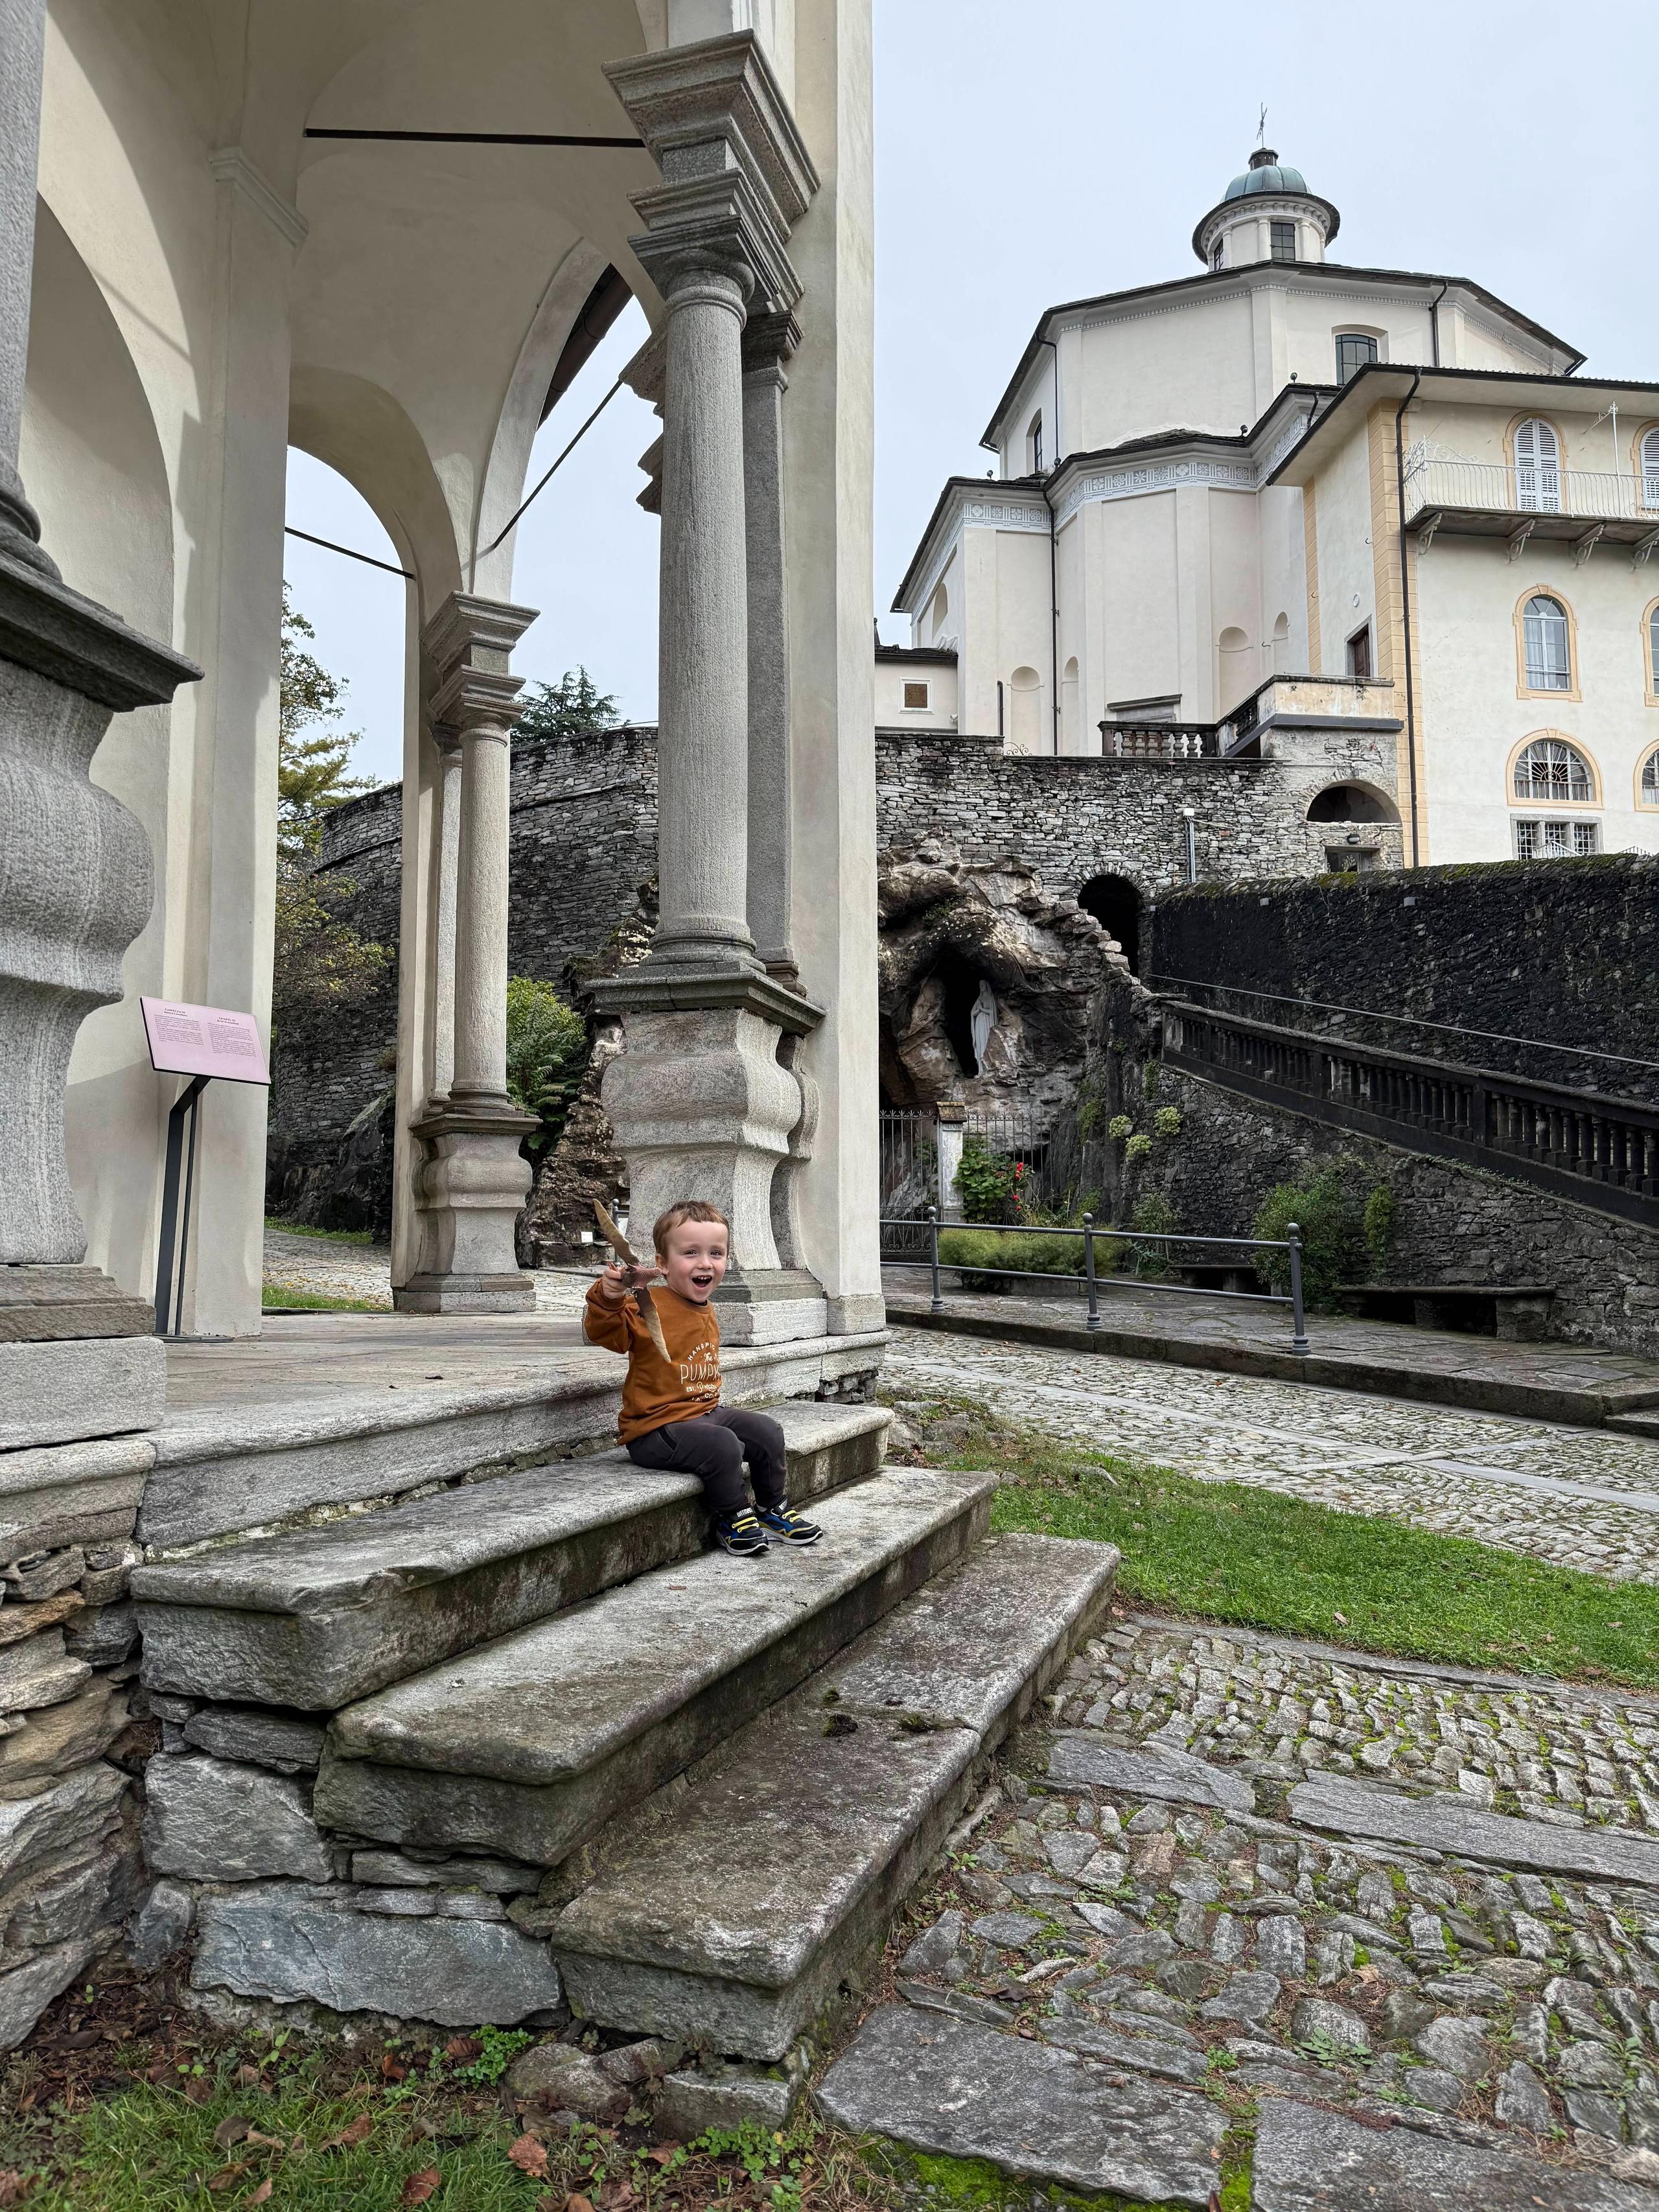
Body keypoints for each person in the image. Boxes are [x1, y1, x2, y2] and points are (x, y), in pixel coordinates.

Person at [583, 1199, 823, 1558]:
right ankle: (733, 1517)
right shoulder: (649, 1303)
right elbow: (606, 1333)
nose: (705, 1263)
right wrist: (610, 1296)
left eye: (716, 1252)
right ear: (662, 1264)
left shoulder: (704, 1305)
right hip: (655, 1430)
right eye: (690, 1252)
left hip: (703, 1414)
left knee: (767, 1431)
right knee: (724, 1444)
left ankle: (771, 1509)